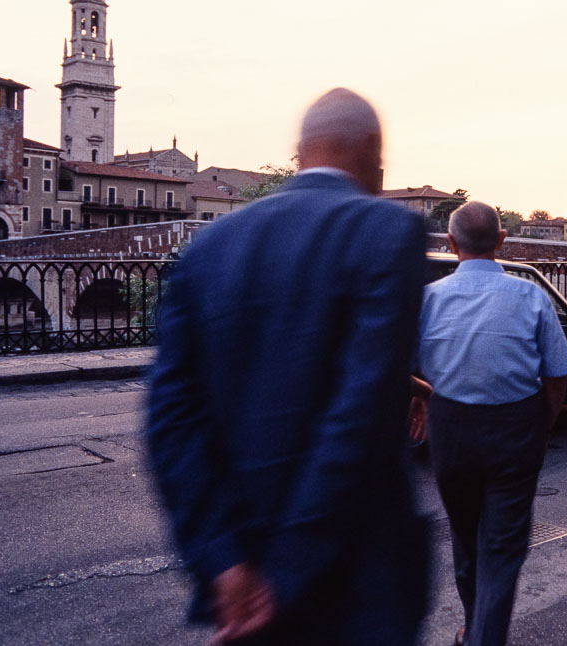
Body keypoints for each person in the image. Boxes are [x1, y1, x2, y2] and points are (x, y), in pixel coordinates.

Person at [145, 88, 429, 645]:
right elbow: (358, 416)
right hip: (356, 592)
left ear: (300, 154)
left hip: (241, 593)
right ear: (372, 151)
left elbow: (170, 419)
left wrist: (226, 562)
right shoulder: (387, 231)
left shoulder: (207, 248)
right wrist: (283, 575)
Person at [413, 201, 567, 646]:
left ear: (451, 243)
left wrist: (426, 397)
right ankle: (484, 635)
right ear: (502, 242)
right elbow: (557, 377)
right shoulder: (530, 296)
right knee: (501, 549)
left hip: (450, 430)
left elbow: (392, 363)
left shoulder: (430, 299)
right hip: (515, 427)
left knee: (466, 541)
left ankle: (474, 626)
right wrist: (542, 429)